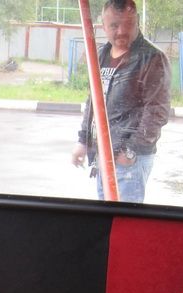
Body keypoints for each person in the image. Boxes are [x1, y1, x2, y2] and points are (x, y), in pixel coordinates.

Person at [71, 0, 170, 203]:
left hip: (129, 160)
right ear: (103, 26)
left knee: (123, 219)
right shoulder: (100, 55)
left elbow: (157, 112)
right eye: (114, 25)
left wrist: (130, 151)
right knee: (108, 217)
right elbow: (94, 101)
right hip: (103, 155)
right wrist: (83, 141)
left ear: (137, 22)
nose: (121, 31)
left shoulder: (152, 58)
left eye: (128, 24)